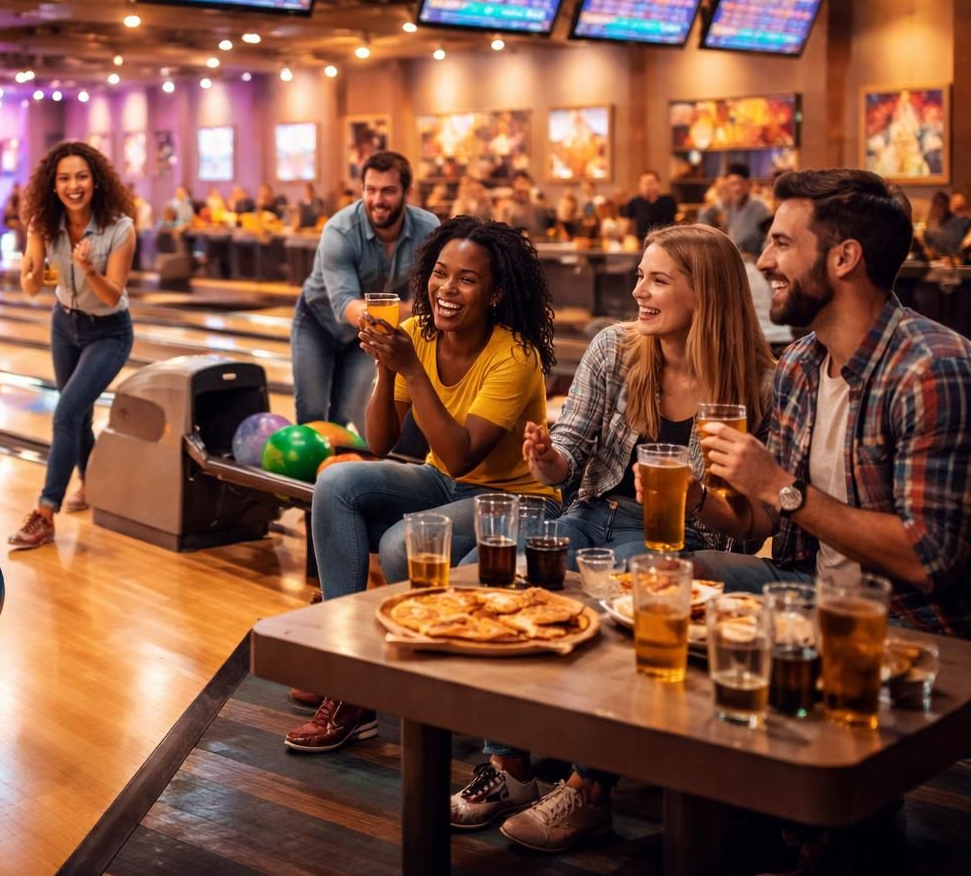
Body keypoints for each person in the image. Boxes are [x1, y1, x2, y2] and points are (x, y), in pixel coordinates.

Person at [457, 224, 774, 852]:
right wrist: (547, 458)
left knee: (620, 609)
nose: (638, 292)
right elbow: (568, 457)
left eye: (658, 280)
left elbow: (748, 523)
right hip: (589, 515)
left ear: (706, 293)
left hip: (678, 540)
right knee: (498, 584)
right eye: (639, 277)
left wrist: (695, 499)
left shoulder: (758, 383)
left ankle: (589, 791)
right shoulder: (615, 347)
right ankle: (510, 766)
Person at [285, 217, 558, 752]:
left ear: (496, 293)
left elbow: (460, 455)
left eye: (467, 279)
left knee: (399, 545)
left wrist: (410, 368)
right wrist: (387, 367)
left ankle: (382, 687)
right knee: (336, 479)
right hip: (442, 484)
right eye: (440, 273)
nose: (446, 289)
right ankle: (347, 667)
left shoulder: (515, 356)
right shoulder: (418, 334)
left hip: (517, 500)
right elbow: (380, 440)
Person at [691, 169, 971, 641]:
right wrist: (696, 496)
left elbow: (928, 559)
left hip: (908, 617)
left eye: (782, 244)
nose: (764, 261)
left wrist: (780, 485)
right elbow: (769, 517)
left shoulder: (932, 369)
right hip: (809, 587)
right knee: (676, 579)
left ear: (844, 258)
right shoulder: (799, 364)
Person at [10, 141, 137, 550]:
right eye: (64, 178)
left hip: (109, 332)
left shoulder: (120, 228)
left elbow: (112, 296)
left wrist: (88, 269)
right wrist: (31, 270)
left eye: (81, 176)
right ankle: (93, 483)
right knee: (76, 416)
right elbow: (32, 288)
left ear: (96, 181)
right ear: (53, 185)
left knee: (66, 411)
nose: (73, 185)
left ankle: (45, 513)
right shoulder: (44, 224)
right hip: (64, 325)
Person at [290, 151, 440, 428]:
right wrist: (406, 312)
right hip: (317, 323)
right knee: (311, 412)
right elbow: (345, 304)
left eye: (388, 191)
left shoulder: (428, 229)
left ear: (408, 192)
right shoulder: (339, 231)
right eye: (370, 190)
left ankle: (336, 457)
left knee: (344, 415)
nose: (377, 200)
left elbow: (432, 292)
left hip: (365, 335)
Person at [707, 164, 771, 256]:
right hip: (735, 254)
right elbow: (705, 215)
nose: (737, 188)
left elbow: (765, 237)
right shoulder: (729, 204)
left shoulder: (759, 205)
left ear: (748, 184)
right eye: (733, 184)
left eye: (741, 183)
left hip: (753, 257)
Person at [622, 169, 679, 243]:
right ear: (640, 185)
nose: (649, 187)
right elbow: (626, 224)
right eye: (645, 183)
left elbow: (677, 221)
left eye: (651, 183)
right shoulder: (635, 202)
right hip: (643, 242)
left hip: (667, 241)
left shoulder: (669, 201)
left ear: (658, 184)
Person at [499, 172, 548, 240]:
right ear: (513, 188)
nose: (521, 186)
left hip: (539, 242)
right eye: (519, 192)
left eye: (524, 182)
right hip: (516, 243)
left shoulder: (539, 206)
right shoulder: (507, 208)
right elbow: (503, 233)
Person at [1, 183, 27, 256]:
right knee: (21, 227)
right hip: (9, 221)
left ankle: (23, 247)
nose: (17, 191)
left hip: (18, 221)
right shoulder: (10, 200)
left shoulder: (21, 199)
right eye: (16, 189)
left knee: (24, 227)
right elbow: (7, 215)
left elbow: (21, 214)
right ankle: (21, 248)